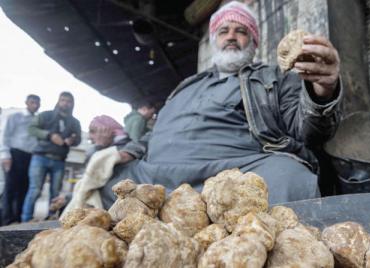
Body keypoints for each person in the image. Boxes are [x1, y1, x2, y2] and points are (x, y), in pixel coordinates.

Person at [100, 1, 342, 207]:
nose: (231, 37)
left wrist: (322, 91)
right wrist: (130, 152)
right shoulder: (185, 85)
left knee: (291, 179)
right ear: (215, 39)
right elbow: (153, 134)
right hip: (155, 174)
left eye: (241, 31)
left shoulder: (274, 77)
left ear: (254, 42)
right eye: (224, 30)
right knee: (108, 178)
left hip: (238, 172)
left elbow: (308, 131)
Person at [50, 115, 129, 214]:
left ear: (108, 131)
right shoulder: (103, 150)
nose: (89, 137)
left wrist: (99, 148)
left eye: (92, 131)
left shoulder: (124, 151)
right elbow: (88, 184)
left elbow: (99, 186)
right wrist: (67, 197)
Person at [21, 92, 81, 222]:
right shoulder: (45, 115)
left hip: (59, 160)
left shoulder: (75, 122)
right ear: (58, 101)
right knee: (34, 190)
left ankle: (51, 219)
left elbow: (78, 139)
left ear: (72, 103)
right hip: (40, 157)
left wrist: (72, 140)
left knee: (55, 193)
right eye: (63, 100)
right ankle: (25, 220)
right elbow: (31, 129)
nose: (65, 103)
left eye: (68, 101)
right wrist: (49, 135)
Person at [0, 95, 40, 225]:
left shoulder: (37, 121)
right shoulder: (15, 116)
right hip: (14, 154)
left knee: (24, 188)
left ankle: (17, 219)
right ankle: (7, 220)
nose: (35, 105)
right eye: (32, 102)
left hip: (30, 157)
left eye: (37, 103)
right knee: (10, 188)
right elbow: (5, 135)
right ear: (27, 103)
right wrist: (5, 155)